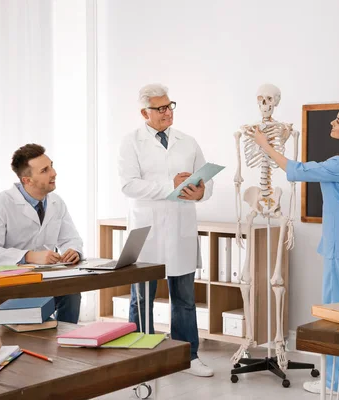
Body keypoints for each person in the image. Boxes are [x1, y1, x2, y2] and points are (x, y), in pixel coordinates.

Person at [253, 104, 339, 396]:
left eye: (337, 120)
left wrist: (264, 145)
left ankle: (336, 383)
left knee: (337, 316)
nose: (332, 122)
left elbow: (297, 170)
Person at [118, 83, 214, 377]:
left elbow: (206, 180)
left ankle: (188, 356)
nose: (167, 112)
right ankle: (139, 356)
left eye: (170, 106)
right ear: (144, 112)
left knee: (184, 297)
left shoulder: (188, 141)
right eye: (160, 108)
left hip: (181, 227)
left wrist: (201, 193)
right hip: (147, 230)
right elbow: (128, 185)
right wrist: (168, 185)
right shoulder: (131, 142)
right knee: (142, 297)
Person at [0, 144, 82, 323]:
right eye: (45, 170)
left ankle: (66, 341)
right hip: (10, 283)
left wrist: (73, 250)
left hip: (44, 278)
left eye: (52, 166)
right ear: (27, 180)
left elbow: (70, 237)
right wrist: (29, 256)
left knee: (71, 291)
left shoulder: (56, 202)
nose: (54, 173)